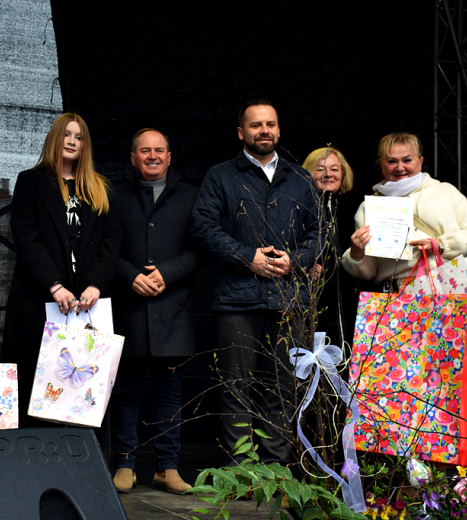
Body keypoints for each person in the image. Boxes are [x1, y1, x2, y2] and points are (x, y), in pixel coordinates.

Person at [191, 99, 320, 465]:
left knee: (281, 388)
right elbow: (203, 228)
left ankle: (275, 470)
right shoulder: (220, 176)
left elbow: (319, 233)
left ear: (279, 130)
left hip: (287, 299)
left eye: (270, 124)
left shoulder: (300, 178)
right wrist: (249, 258)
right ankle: (242, 470)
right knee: (235, 388)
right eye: (255, 125)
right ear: (241, 132)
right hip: (235, 299)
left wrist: (294, 260)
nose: (264, 131)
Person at [2, 113, 121, 437]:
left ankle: (87, 467)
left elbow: (111, 243)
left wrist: (95, 284)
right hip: (39, 300)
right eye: (66, 134)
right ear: (55, 139)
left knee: (83, 391)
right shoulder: (30, 181)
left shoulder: (100, 187)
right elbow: (26, 237)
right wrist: (54, 284)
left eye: (79, 136)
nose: (72, 141)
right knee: (37, 387)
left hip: (86, 305)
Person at [110, 129, 199, 494]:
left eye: (158, 150)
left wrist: (168, 272)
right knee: (126, 389)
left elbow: (201, 249)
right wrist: (130, 276)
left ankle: (167, 468)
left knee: (169, 391)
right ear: (132, 158)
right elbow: (101, 248)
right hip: (128, 304)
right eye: (144, 151)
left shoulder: (192, 195)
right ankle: (125, 464)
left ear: (169, 155)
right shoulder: (113, 196)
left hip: (172, 305)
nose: (152, 156)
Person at [341, 132, 467, 290]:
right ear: (381, 164)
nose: (400, 167)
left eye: (407, 160)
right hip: (400, 297)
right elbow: (369, 272)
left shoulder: (446, 191)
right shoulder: (369, 207)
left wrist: (443, 245)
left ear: (420, 162)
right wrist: (356, 253)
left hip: (452, 288)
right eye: (392, 161)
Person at [302, 147, 361, 349]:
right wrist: (303, 266)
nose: (328, 174)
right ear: (308, 174)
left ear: (343, 174)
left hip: (350, 298)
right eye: (320, 169)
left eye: (334, 169)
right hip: (312, 300)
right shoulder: (298, 208)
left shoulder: (358, 208)